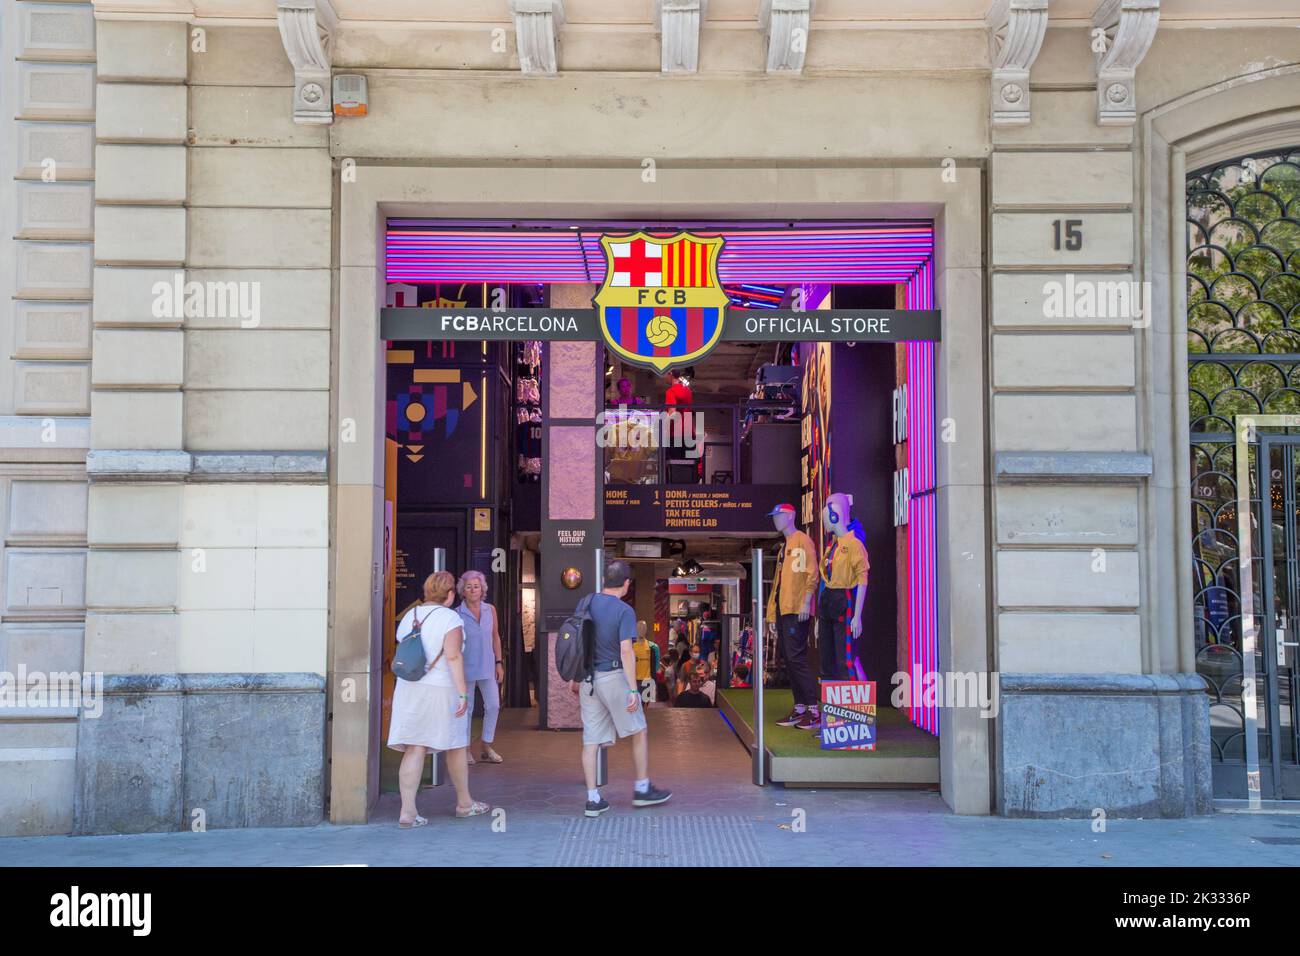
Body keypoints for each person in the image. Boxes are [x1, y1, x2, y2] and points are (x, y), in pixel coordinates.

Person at [387, 571, 490, 826]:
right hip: (441, 689)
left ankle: (407, 812)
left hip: (409, 687)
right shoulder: (450, 618)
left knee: (415, 746)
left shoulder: (410, 615)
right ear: (451, 594)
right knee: (455, 745)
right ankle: (465, 803)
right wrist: (463, 692)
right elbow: (453, 656)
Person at [571, 560, 672, 817]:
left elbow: (579, 641)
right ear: (626, 584)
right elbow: (626, 650)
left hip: (588, 679)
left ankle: (593, 799)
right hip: (613, 675)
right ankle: (642, 788)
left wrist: (575, 676)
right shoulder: (624, 610)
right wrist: (632, 690)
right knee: (639, 729)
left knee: (590, 740)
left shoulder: (586, 602)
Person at [765, 502, 821, 730]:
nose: (775, 519)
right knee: (789, 659)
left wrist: (806, 601)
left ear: (791, 516)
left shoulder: (802, 541)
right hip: (784, 609)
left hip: (796, 610)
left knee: (796, 659)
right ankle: (800, 708)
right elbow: (778, 584)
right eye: (774, 515)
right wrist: (771, 615)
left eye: (779, 515)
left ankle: (813, 710)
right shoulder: (783, 547)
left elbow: (813, 573)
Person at [456, 570, 504, 765]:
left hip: (487, 665)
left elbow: (495, 636)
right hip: (465, 668)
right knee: (467, 709)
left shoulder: (490, 610)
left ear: (482, 589)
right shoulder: (457, 613)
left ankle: (486, 745)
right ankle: (466, 749)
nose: (474, 590)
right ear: (463, 591)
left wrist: (499, 663)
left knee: (493, 706)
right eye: (469, 587)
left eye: (477, 586)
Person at [632, 620, 657, 703]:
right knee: (634, 705)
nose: (641, 630)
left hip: (647, 681)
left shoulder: (651, 647)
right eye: (639, 628)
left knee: (646, 708)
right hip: (634, 681)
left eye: (643, 628)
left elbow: (653, 667)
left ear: (646, 630)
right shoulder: (631, 647)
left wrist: (654, 684)